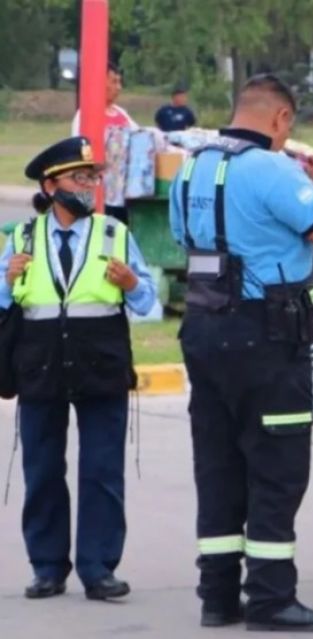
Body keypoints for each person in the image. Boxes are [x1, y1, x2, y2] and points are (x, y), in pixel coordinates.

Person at [168, 74, 313, 631]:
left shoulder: (192, 165)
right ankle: (271, 600)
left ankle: (217, 597)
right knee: (276, 469)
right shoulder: (274, 169)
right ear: (281, 120)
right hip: (266, 337)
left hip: (202, 331)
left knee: (218, 465)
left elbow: (182, 237)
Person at [0, 136, 156, 601]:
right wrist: (6, 281)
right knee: (43, 469)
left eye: (93, 177)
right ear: (50, 185)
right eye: (79, 177)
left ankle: (98, 567)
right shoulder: (19, 237)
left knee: (102, 471)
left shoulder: (115, 234)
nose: (88, 186)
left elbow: (148, 302)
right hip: (41, 367)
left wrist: (131, 283)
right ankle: (47, 567)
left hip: (101, 365)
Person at [71, 63, 138, 226]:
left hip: (122, 191)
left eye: (120, 82)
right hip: (99, 189)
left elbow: (138, 137)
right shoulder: (85, 115)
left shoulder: (122, 113)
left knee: (120, 235)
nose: (118, 87)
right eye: (114, 82)